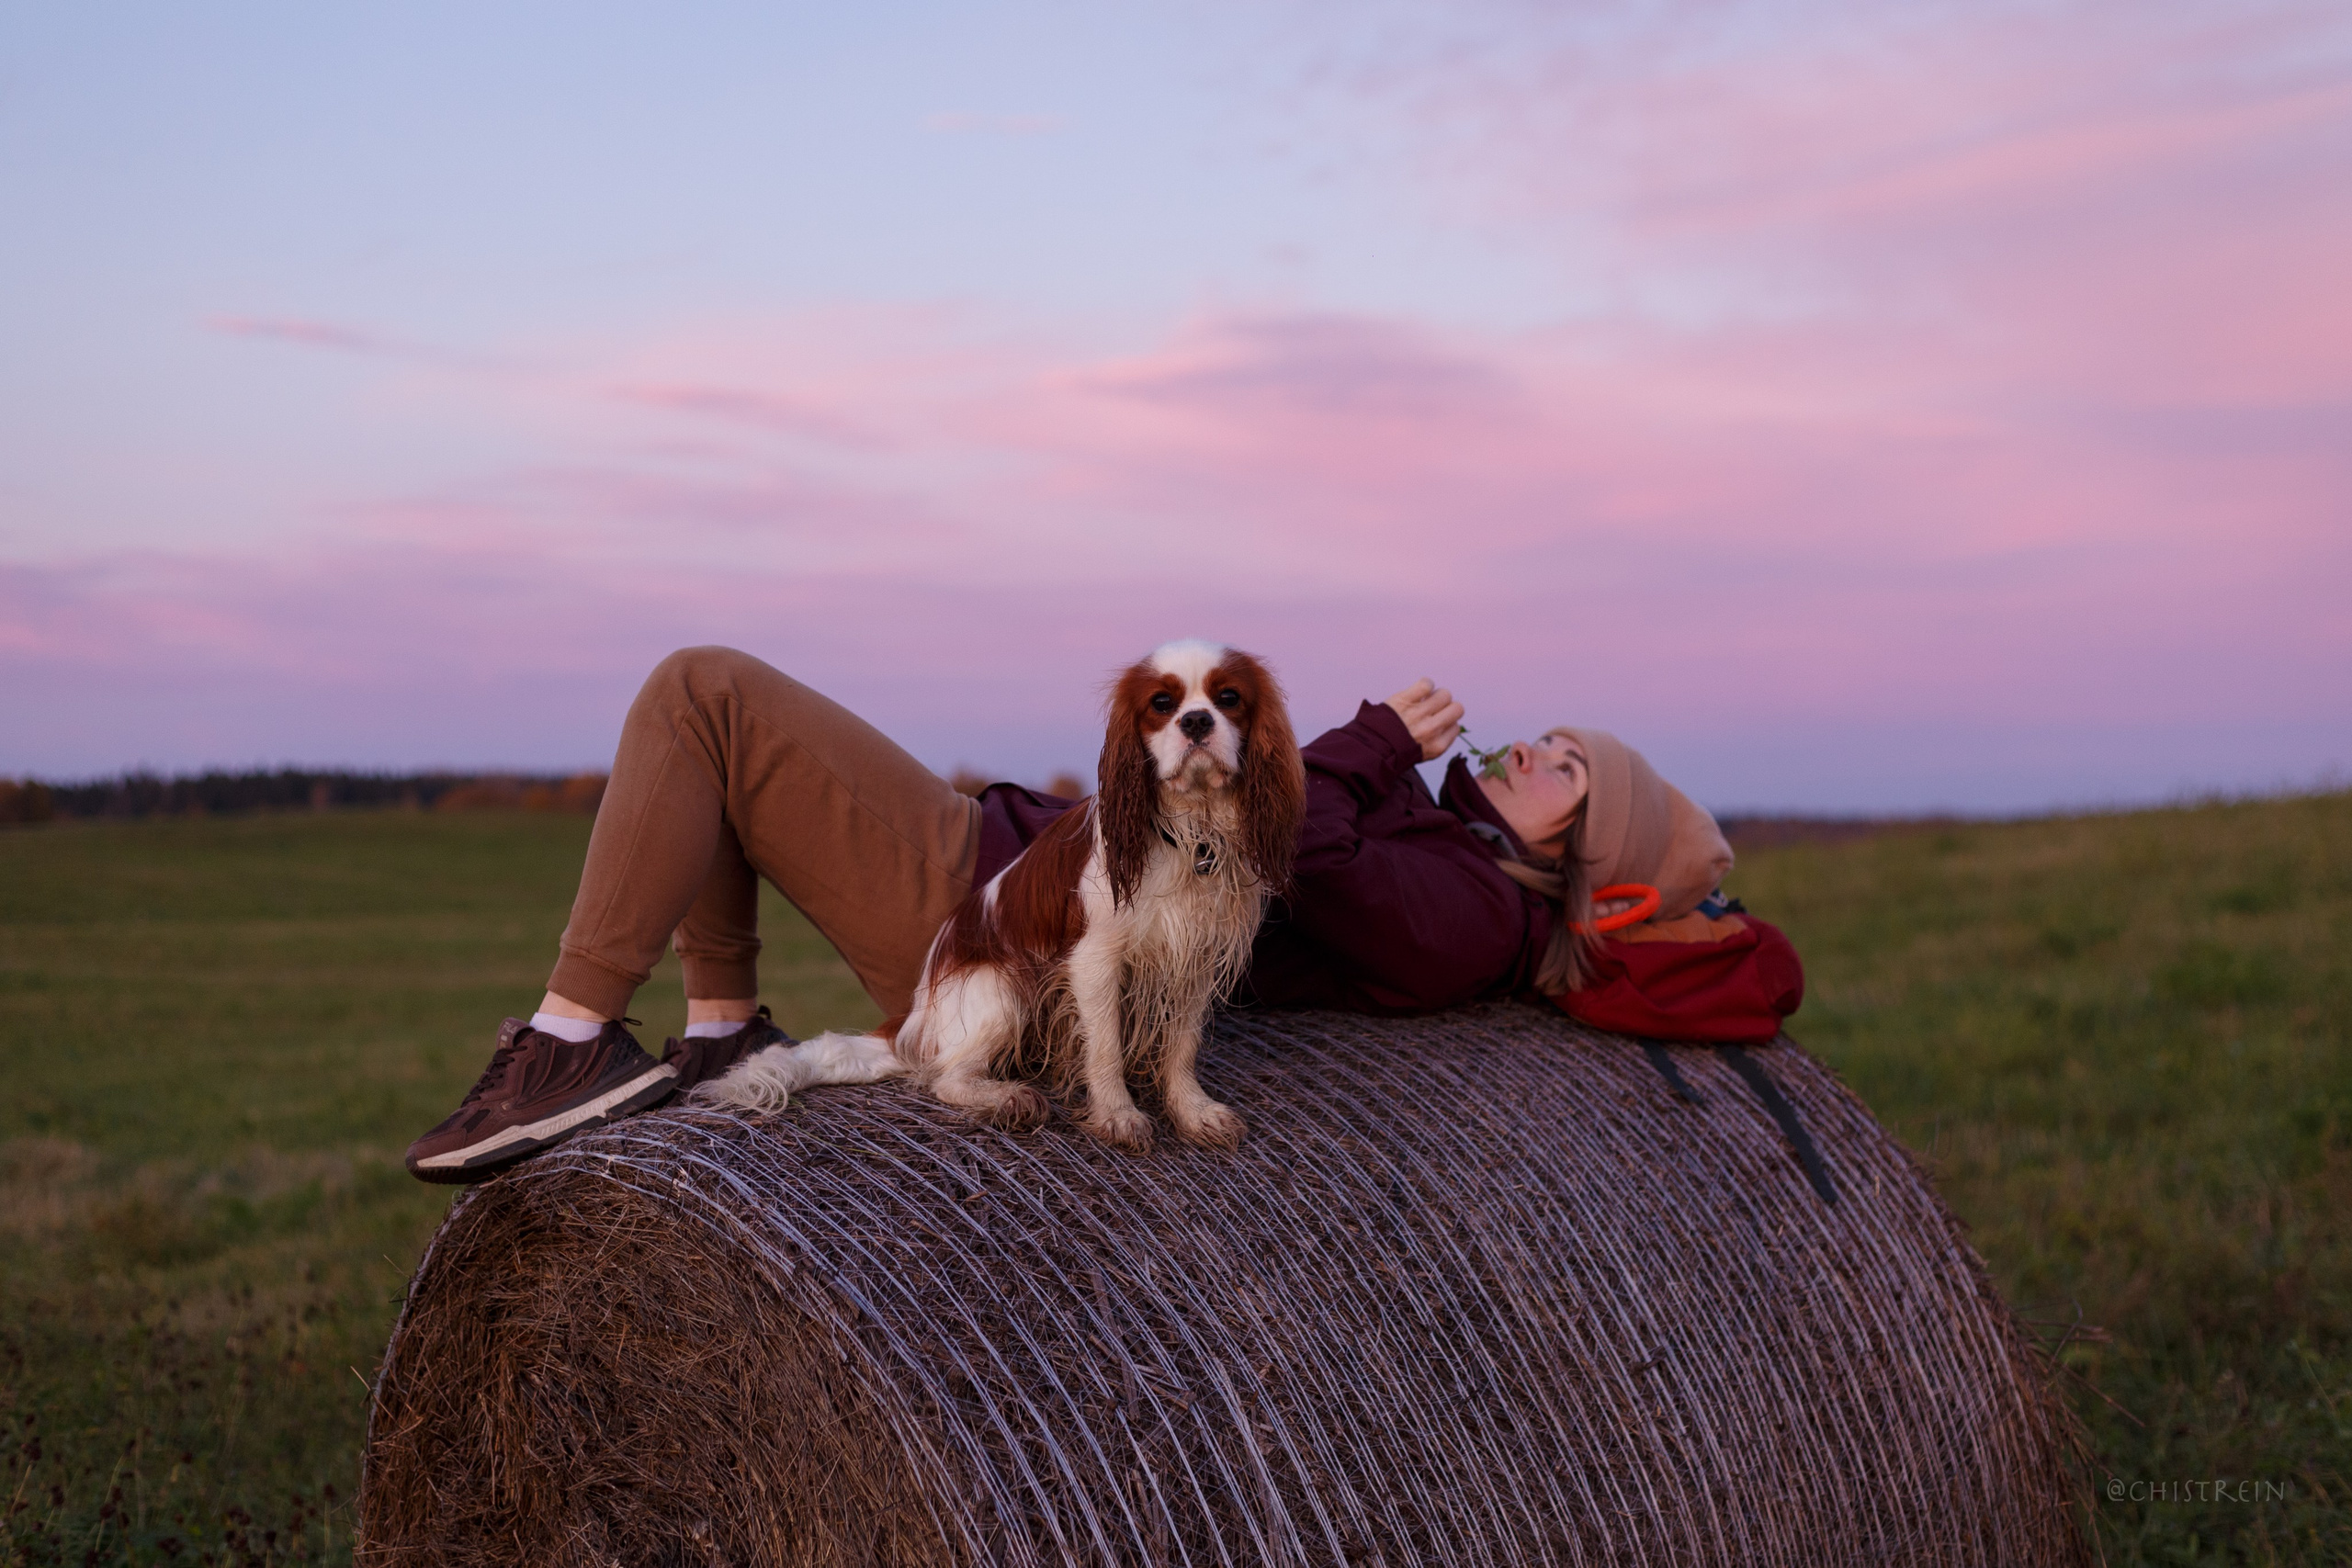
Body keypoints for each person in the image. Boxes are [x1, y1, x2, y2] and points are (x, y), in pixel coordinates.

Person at [403, 649, 1736, 1182]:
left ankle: (568, 1044)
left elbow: (1304, 855)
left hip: (991, 912)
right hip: (1019, 874)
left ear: (1580, 853)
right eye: (1549, 738)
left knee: (703, 699)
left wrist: (1373, 739)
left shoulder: (1471, 915)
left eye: (1568, 769)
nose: (1532, 750)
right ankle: (718, 1037)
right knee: (723, 742)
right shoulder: (1449, 853)